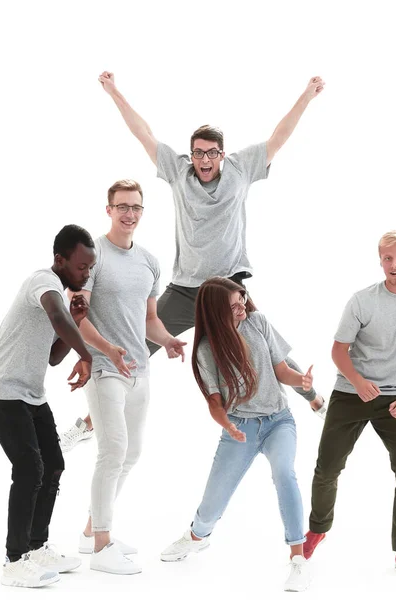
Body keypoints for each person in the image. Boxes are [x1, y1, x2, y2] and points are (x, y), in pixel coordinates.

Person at [60, 71, 326, 451]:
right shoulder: (178, 171)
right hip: (185, 290)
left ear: (222, 154)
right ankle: (87, 424)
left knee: (267, 348)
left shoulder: (240, 169)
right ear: (191, 154)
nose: (205, 159)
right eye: (198, 152)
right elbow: (144, 134)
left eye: (212, 152)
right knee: (135, 348)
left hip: (229, 290)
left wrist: (306, 96)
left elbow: (278, 138)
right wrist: (114, 91)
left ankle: (315, 399)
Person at [303, 231, 396, 576]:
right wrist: (358, 381)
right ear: (380, 260)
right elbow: (338, 349)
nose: (394, 265)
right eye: (387, 258)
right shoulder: (362, 300)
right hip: (352, 392)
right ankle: (317, 529)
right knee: (328, 467)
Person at [160, 277, 315, 592]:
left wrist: (302, 381)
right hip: (239, 428)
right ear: (217, 311)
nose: (242, 305)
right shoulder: (207, 349)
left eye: (241, 298)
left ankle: (298, 558)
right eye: (233, 304)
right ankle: (196, 537)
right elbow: (215, 403)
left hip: (278, 421)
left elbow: (281, 370)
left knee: (284, 473)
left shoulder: (257, 322)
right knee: (213, 500)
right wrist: (228, 426)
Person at [70, 179, 186, 575]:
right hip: (105, 368)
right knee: (112, 449)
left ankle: (90, 531)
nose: (129, 214)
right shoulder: (93, 255)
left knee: (131, 452)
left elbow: (150, 320)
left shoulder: (149, 261)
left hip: (139, 369)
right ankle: (102, 547)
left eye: (135, 207)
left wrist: (169, 340)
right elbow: (77, 314)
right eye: (122, 206)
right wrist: (106, 349)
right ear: (108, 210)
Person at [0, 225, 96, 588]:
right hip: (1, 390)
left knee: (53, 464)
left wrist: (76, 321)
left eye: (90, 268)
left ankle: (37, 545)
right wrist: (88, 353)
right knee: (29, 469)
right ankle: (14, 561)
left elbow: (54, 357)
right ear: (59, 260)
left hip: (30, 393)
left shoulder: (59, 294)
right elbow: (57, 318)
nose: (86, 274)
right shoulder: (42, 281)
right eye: (80, 267)